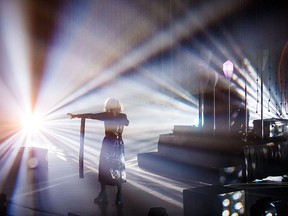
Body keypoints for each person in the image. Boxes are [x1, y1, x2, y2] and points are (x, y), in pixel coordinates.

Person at [67, 98, 129, 206]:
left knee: (118, 168)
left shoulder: (122, 116)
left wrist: (117, 117)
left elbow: (126, 123)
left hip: (117, 144)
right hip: (109, 143)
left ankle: (119, 195)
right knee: (104, 167)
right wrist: (76, 115)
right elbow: (91, 115)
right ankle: (104, 194)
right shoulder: (106, 115)